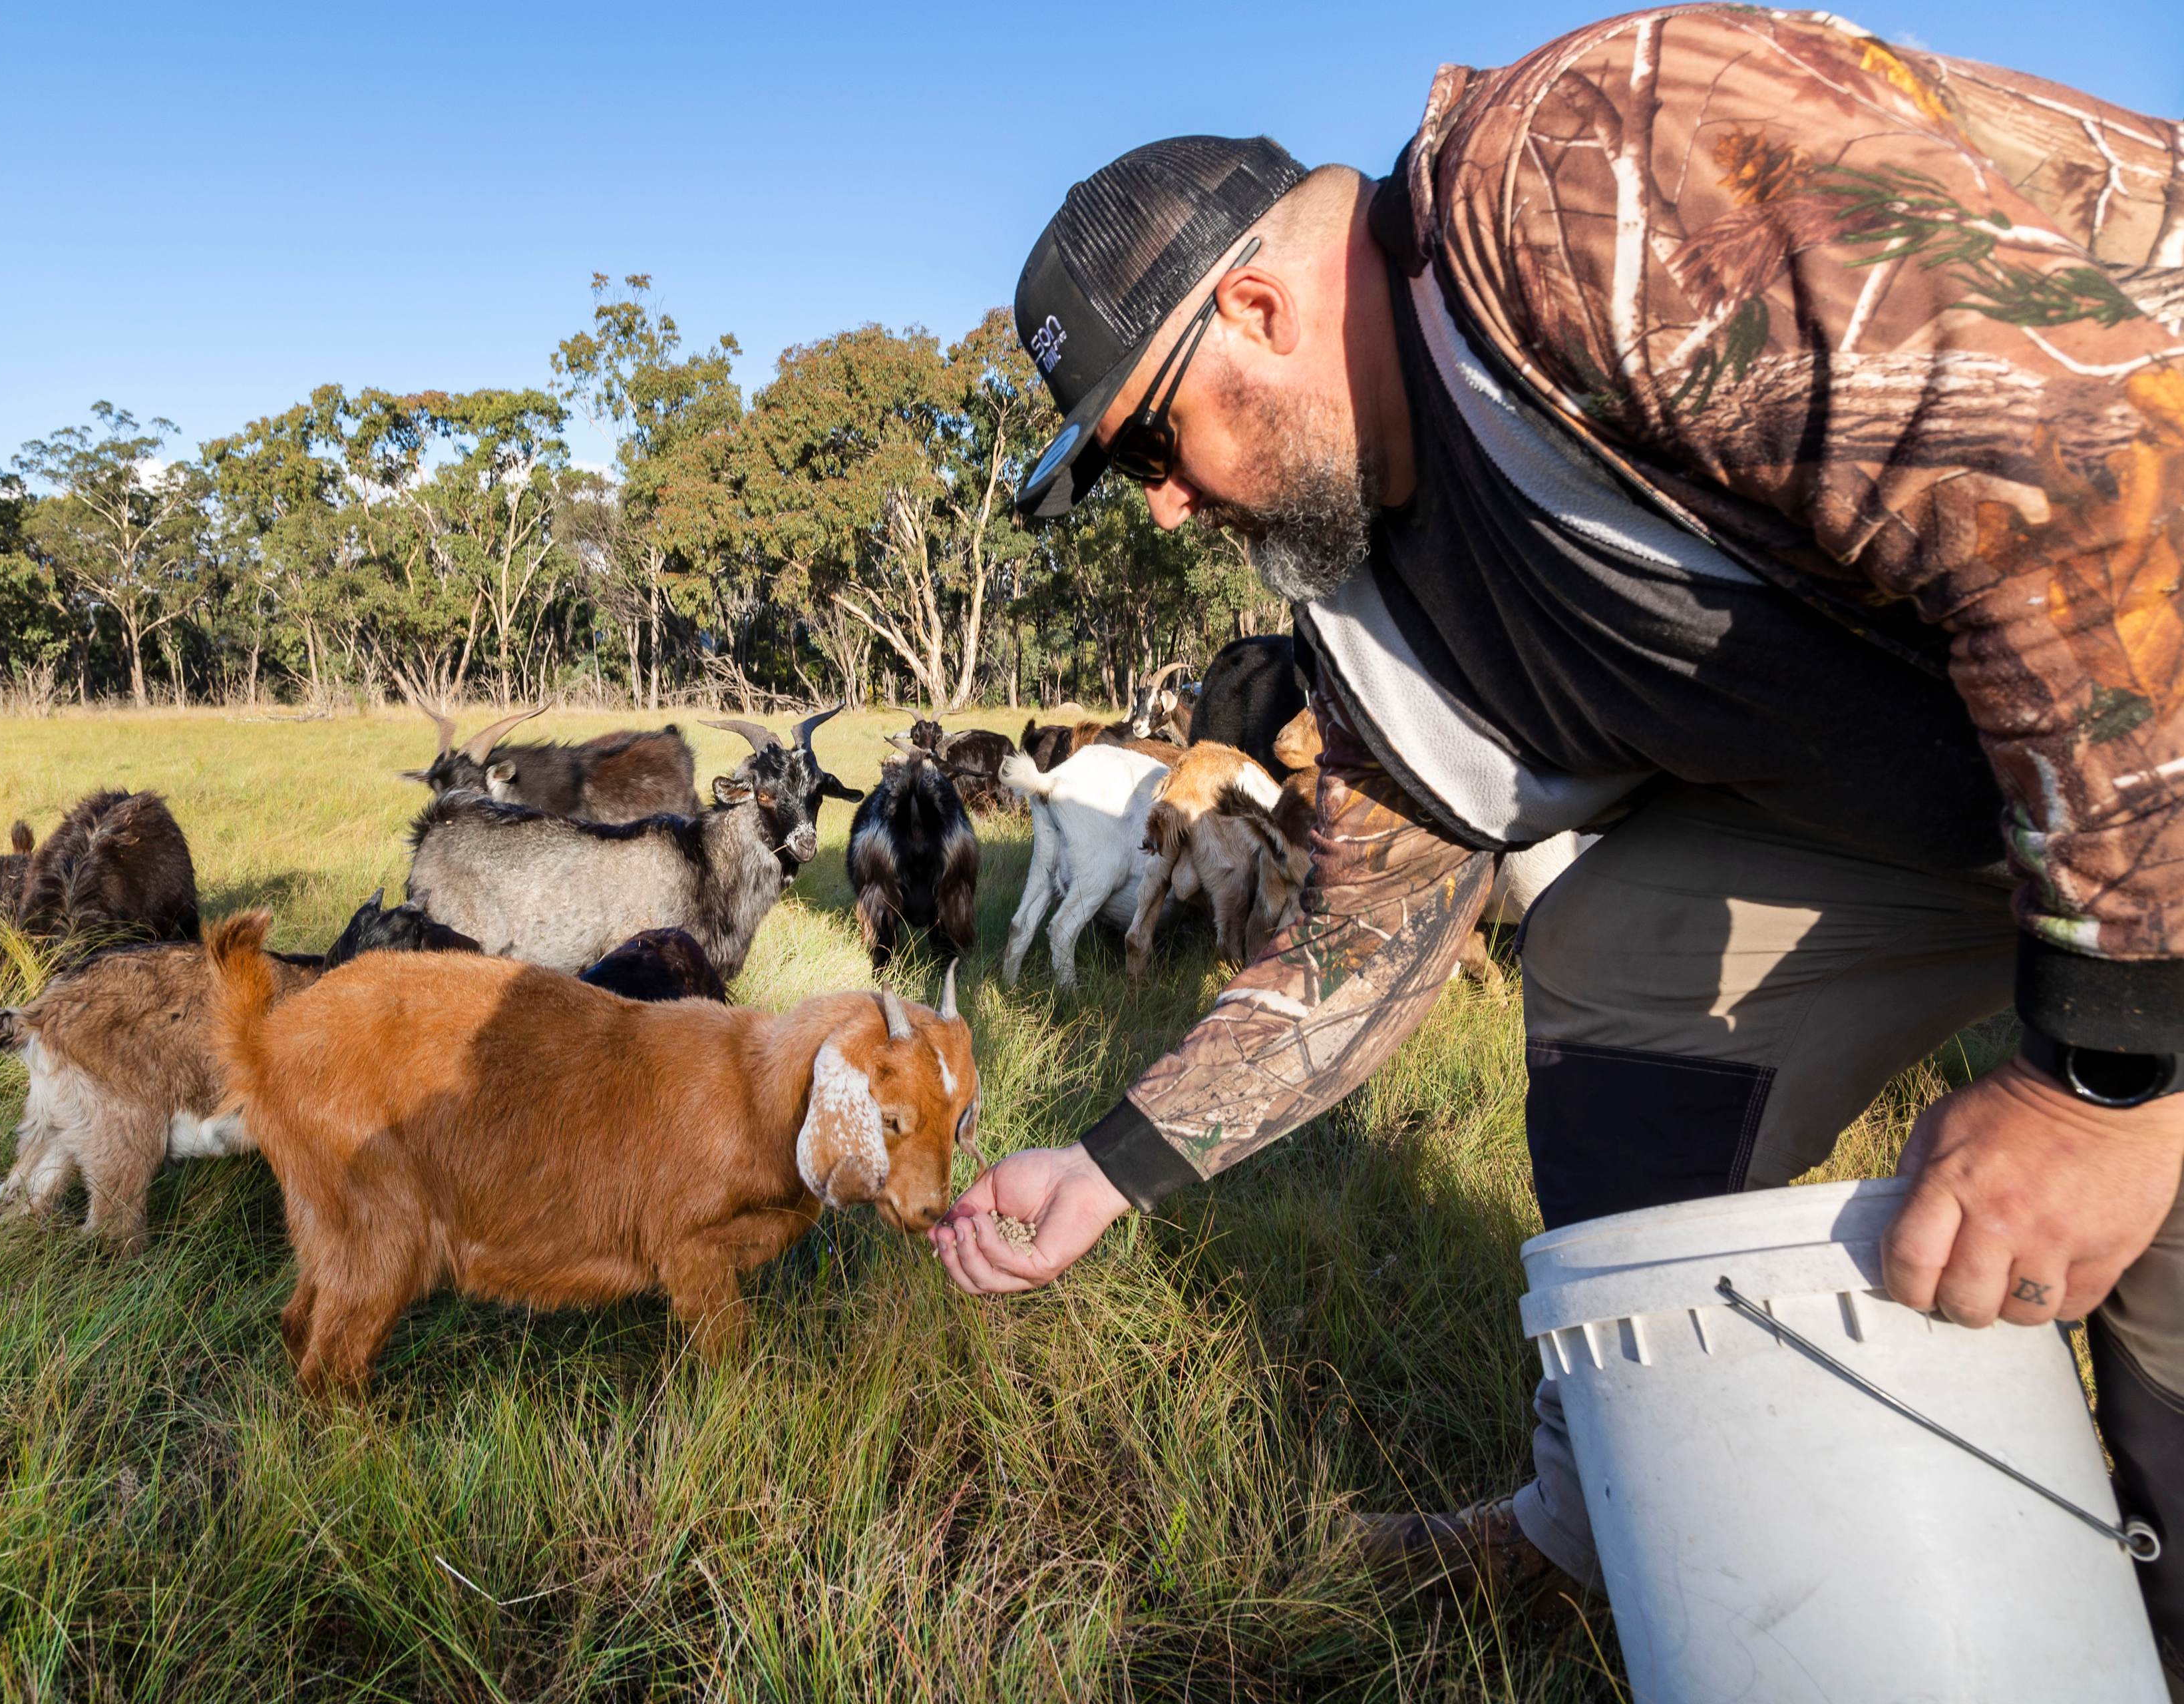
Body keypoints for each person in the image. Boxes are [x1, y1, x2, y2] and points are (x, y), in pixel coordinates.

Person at [930, 3, 2184, 1673]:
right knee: (1621, 953)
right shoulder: (1372, 590)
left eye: (1153, 441)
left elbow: (2100, 479)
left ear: (1256, 304)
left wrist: (2102, 1086)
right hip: (1972, 796)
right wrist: (1107, 1169)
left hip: (2154, 707)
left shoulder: (1579, 175)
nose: (1164, 503)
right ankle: (1608, 1516)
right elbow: (1362, 940)